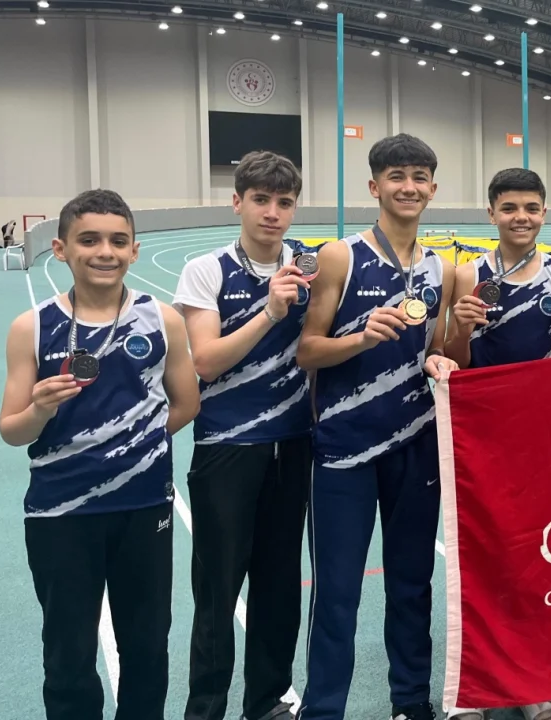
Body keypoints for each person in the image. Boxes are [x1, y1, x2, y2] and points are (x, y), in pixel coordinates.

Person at [0, 189, 200, 719]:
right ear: (61, 249)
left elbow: (186, 403)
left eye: (117, 240)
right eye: (89, 240)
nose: (104, 251)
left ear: (134, 250)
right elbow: (12, 430)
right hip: (60, 513)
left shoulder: (162, 319)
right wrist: (40, 409)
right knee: (68, 652)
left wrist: (131, 446)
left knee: (147, 646)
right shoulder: (32, 327)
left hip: (143, 508)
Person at [295, 133, 458, 720]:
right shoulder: (340, 257)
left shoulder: (443, 269)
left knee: (412, 585)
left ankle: (410, 702)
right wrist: (360, 339)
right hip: (344, 453)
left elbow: (437, 348)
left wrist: (442, 359)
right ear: (375, 186)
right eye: (396, 176)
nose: (408, 187)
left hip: (416, 446)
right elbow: (307, 352)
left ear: (432, 189)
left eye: (419, 177)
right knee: (337, 592)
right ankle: (323, 710)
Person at [441, 167, 551, 720]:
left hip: (539, 437)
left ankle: (533, 684)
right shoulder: (465, 274)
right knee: (477, 558)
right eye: (509, 208)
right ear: (491, 214)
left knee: (535, 559)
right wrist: (460, 327)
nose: (520, 217)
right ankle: (474, 686)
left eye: (530, 208)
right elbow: (450, 360)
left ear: (544, 213)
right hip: (479, 439)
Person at [171, 151, 313, 720]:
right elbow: (205, 361)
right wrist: (271, 311)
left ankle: (267, 701)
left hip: (293, 447)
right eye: (261, 200)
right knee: (217, 591)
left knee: (279, 588)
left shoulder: (309, 267)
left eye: (284, 202)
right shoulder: (207, 270)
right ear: (237, 202)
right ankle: (205, 709)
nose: (272, 213)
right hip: (226, 451)